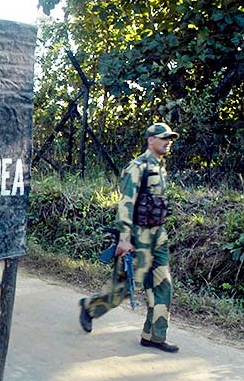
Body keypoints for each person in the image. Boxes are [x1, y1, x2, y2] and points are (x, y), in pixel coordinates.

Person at [79, 123, 180, 353]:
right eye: (164, 138)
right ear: (151, 140)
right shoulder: (137, 167)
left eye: (170, 138)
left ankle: (154, 336)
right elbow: (126, 204)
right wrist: (125, 239)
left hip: (158, 236)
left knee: (164, 285)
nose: (168, 141)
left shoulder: (160, 168)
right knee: (123, 288)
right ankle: (89, 307)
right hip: (137, 237)